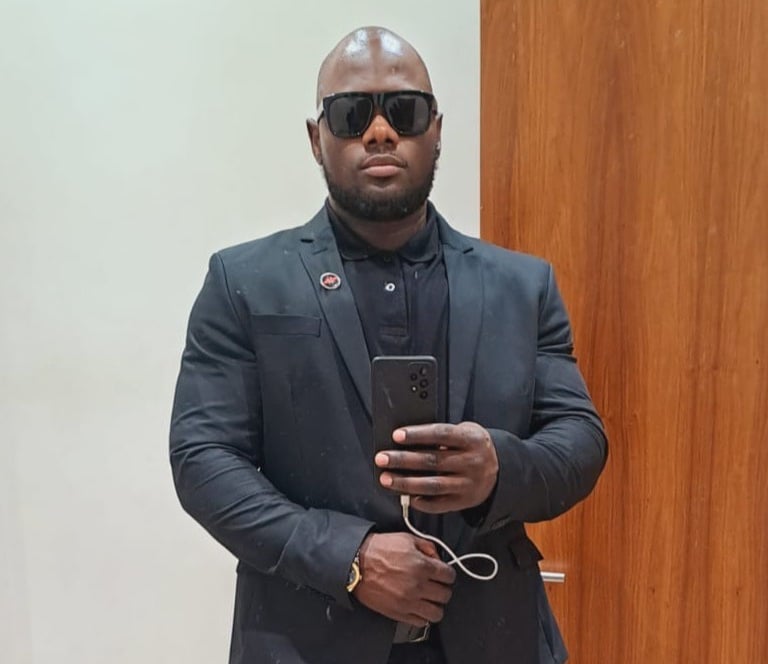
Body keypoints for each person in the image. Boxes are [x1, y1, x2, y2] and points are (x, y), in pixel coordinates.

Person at [170, 26, 607, 664]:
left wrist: (498, 470)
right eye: (352, 114)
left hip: (496, 639)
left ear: (437, 130)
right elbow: (203, 459)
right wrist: (347, 558)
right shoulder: (244, 282)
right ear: (316, 138)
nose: (379, 132)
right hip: (305, 640)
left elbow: (580, 438)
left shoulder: (522, 286)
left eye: (405, 110)